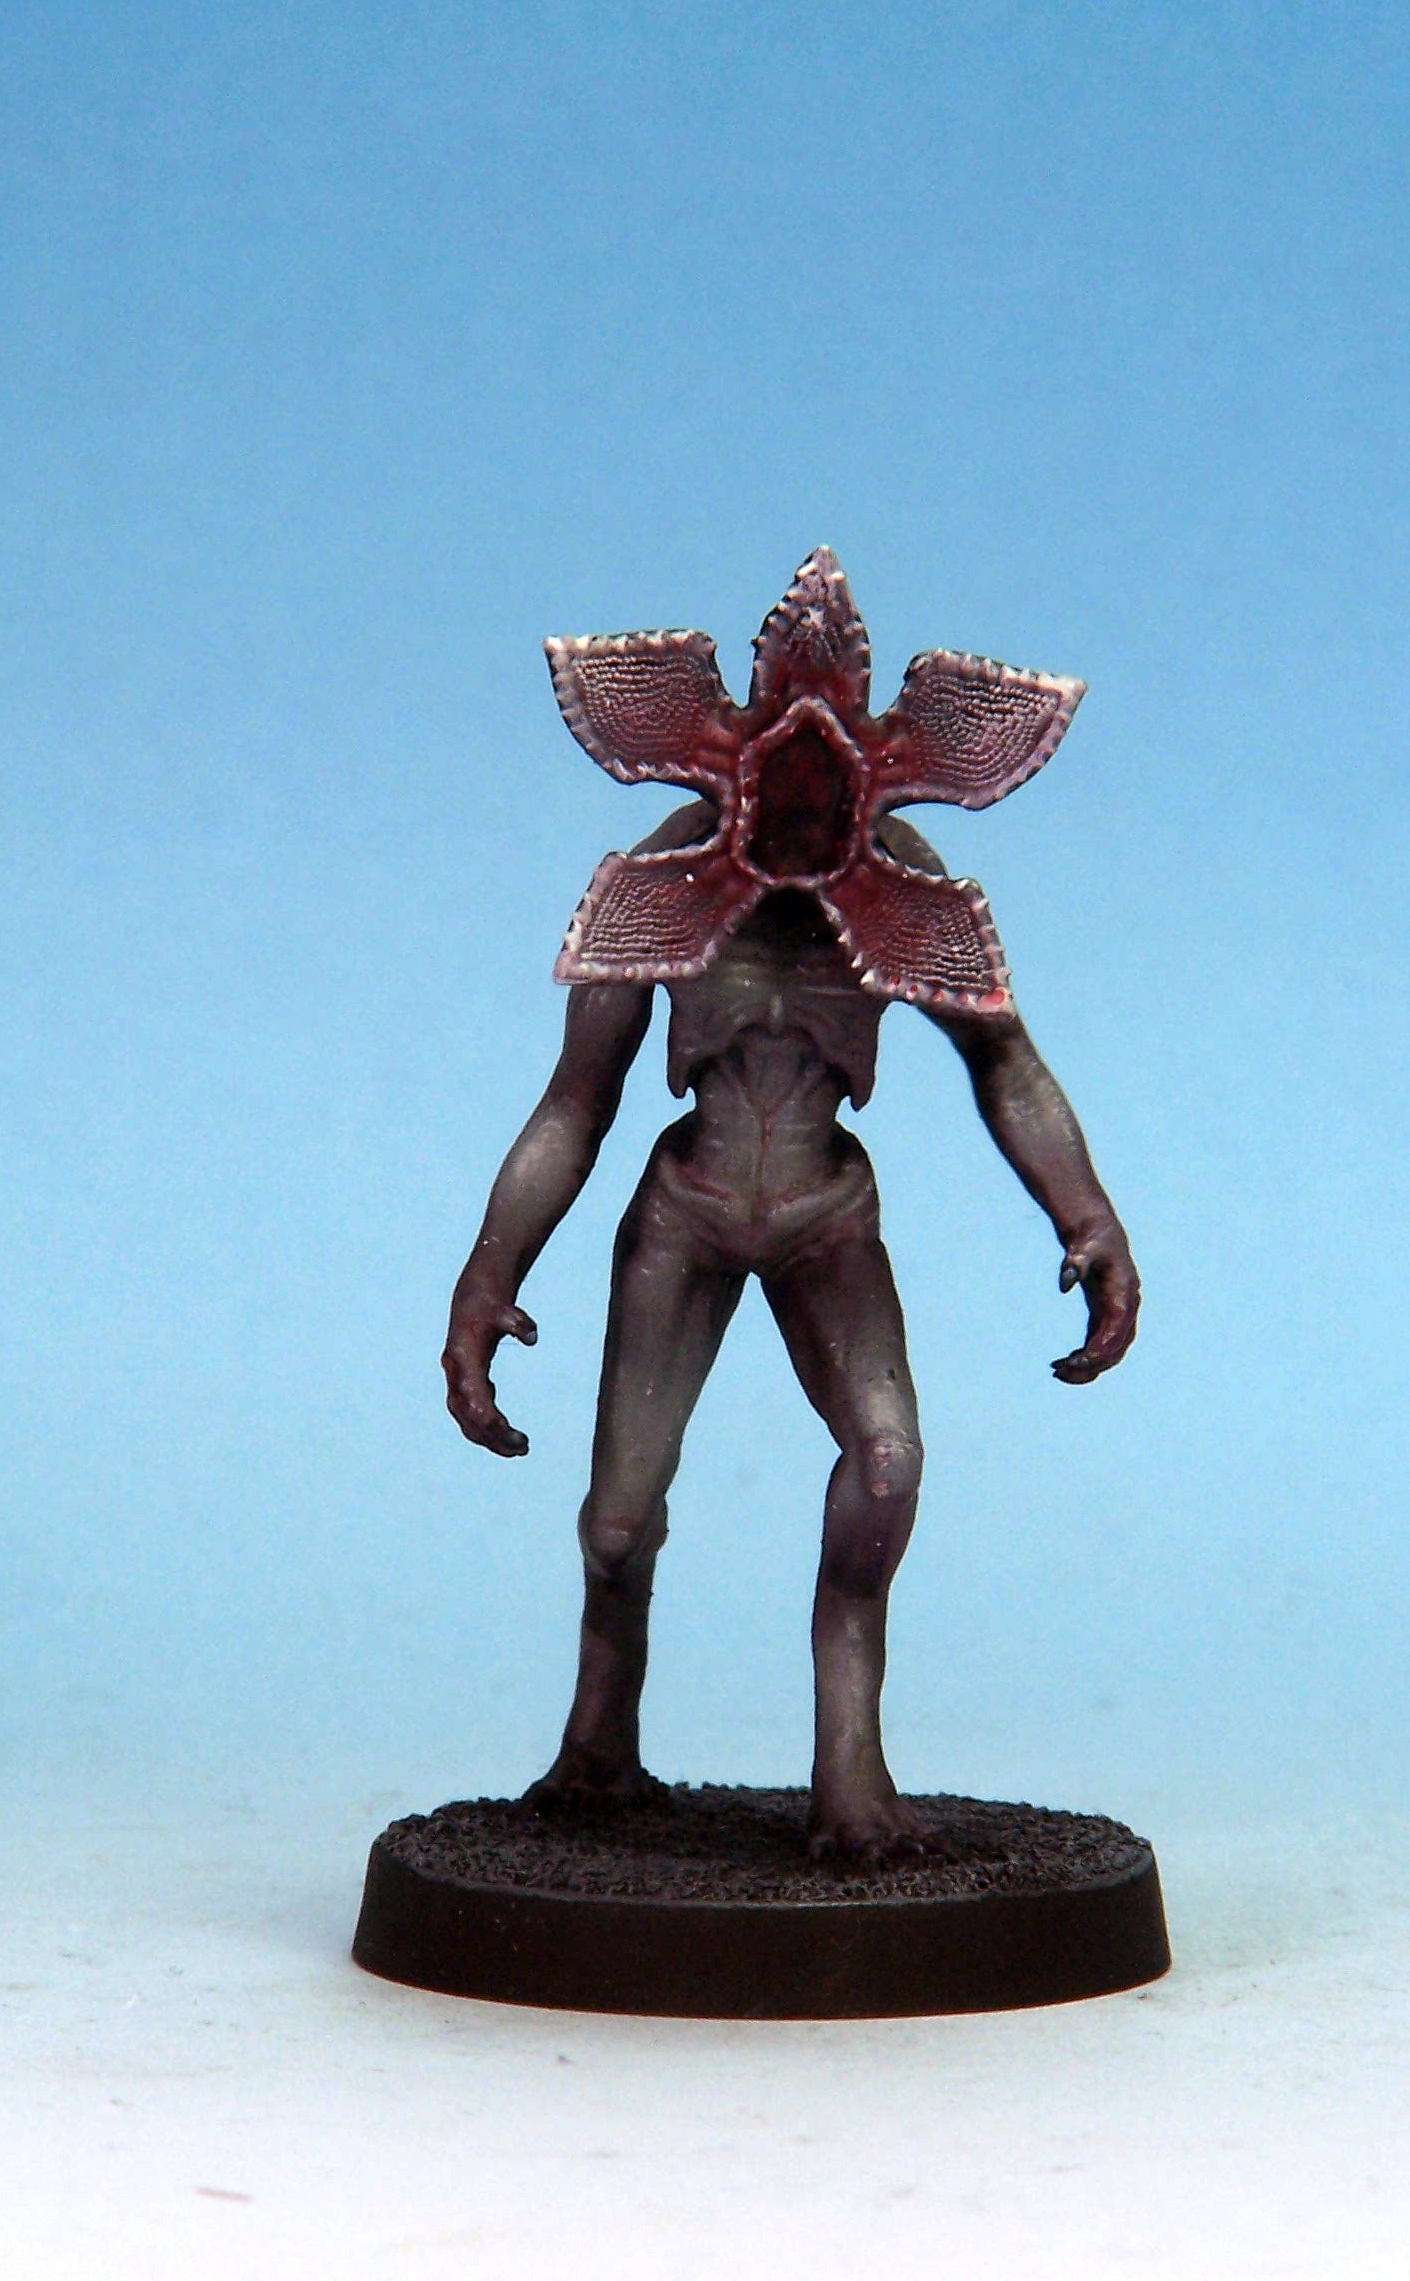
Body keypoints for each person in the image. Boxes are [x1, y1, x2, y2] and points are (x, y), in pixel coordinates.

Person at [442, 553, 1139, 1861]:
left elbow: (1007, 1063)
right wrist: (490, 1278)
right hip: (688, 1207)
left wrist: (1085, 1215)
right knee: (616, 1522)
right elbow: (575, 1104)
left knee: (888, 1465)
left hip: (826, 1212)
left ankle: (849, 1774)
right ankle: (598, 1748)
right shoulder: (668, 874)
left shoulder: (903, 880)